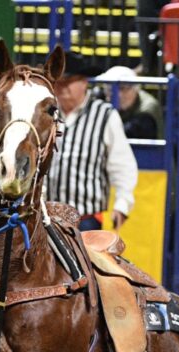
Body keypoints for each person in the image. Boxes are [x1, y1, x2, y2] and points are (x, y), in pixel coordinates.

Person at [46, 54, 137, 232]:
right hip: (46, 215)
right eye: (59, 81)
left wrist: (122, 203)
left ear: (84, 82)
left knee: (87, 259)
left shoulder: (105, 114)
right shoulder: (46, 113)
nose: (62, 87)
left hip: (86, 217)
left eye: (68, 81)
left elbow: (122, 163)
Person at [94, 65, 162, 140]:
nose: (118, 95)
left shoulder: (147, 109)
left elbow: (121, 135)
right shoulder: (99, 100)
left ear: (136, 88)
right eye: (110, 89)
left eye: (123, 88)